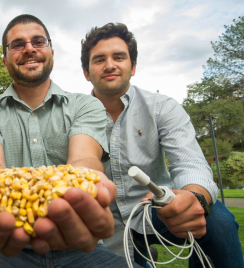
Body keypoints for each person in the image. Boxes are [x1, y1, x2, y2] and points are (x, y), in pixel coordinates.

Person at [0, 14, 142, 268]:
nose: (29, 48)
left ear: (51, 52)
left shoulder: (85, 105)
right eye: (17, 44)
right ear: (4, 59)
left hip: (80, 246)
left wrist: (85, 181)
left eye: (38, 41)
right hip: (8, 248)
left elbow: (85, 158)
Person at [80, 22, 243, 268]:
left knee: (217, 221)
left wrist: (194, 198)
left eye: (119, 57)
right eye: (99, 59)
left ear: (133, 67)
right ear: (86, 72)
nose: (110, 65)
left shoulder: (162, 107)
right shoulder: (74, 114)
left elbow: (189, 162)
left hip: (156, 210)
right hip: (104, 219)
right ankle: (142, 257)